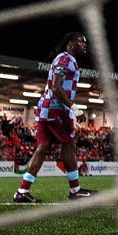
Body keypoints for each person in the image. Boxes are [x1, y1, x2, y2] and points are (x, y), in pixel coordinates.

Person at [13, 32, 98, 203]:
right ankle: (75, 190)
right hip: (56, 109)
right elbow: (56, 86)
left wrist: (87, 91)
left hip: (47, 109)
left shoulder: (66, 60)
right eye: (82, 42)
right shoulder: (65, 59)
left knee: (42, 148)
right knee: (68, 145)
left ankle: (22, 191)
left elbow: (62, 86)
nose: (85, 46)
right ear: (72, 44)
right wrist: (75, 108)